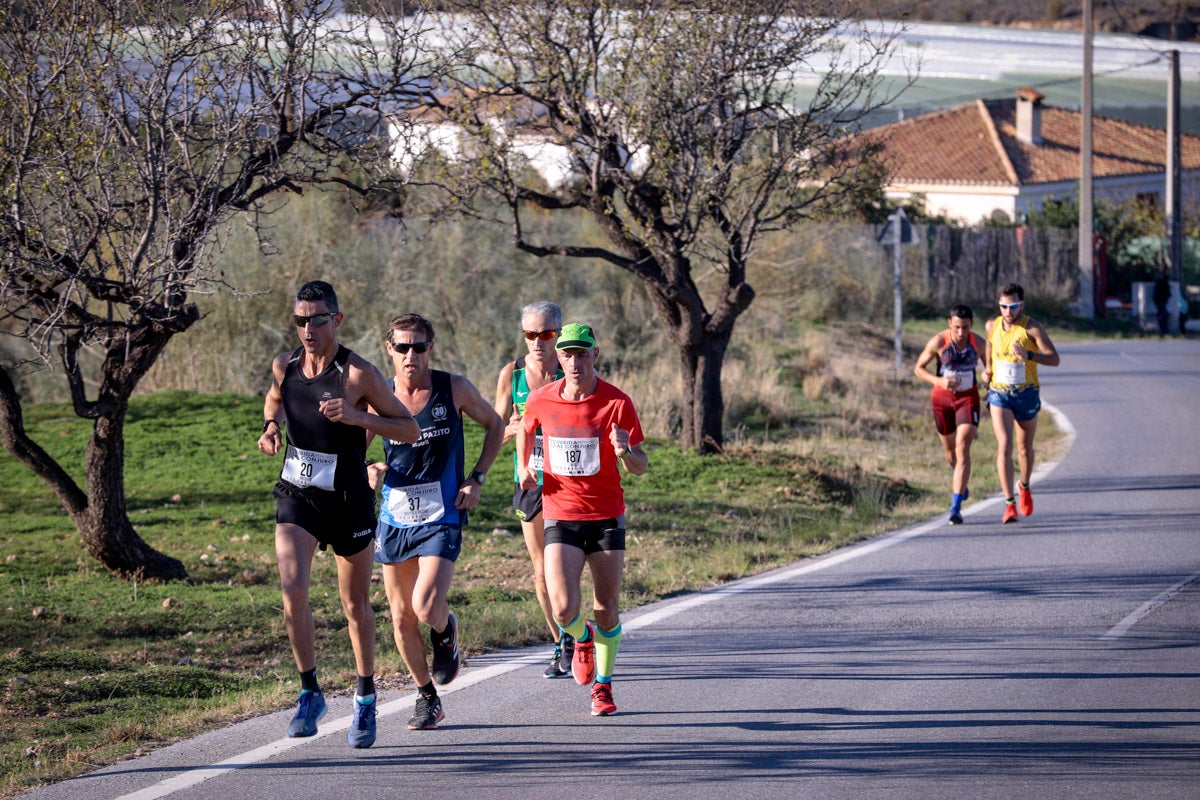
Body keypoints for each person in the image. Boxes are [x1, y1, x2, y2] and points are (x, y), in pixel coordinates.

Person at [258, 280, 420, 749]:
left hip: (348, 499)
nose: (308, 329)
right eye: (301, 320)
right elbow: (274, 398)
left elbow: (407, 428)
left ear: (337, 320)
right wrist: (271, 428)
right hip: (298, 493)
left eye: (318, 319)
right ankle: (310, 691)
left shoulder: (358, 375)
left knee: (354, 607)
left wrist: (357, 417)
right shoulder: (284, 365)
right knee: (292, 590)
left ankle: (365, 697)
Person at [366, 313, 504, 731]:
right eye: (402, 347)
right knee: (401, 616)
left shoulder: (452, 388)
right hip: (395, 516)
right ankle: (427, 697)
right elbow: (355, 450)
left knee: (426, 606)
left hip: (442, 513)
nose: (411, 355)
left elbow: (495, 424)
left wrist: (477, 477)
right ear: (388, 349)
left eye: (419, 346)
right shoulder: (379, 397)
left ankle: (446, 629)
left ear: (431, 348)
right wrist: (368, 470)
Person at [517, 323, 648, 717]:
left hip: (606, 516)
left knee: (606, 606)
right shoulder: (541, 399)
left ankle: (603, 688)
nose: (574, 361)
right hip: (561, 513)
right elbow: (525, 429)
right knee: (562, 609)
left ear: (595, 355)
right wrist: (526, 467)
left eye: (582, 353)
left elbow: (641, 466)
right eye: (567, 353)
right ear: (559, 357)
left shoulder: (617, 402)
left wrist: (625, 452)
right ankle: (581, 636)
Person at [492, 301, 571, 678]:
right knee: (541, 570)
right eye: (530, 334)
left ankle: (575, 630)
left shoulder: (573, 369)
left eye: (547, 334)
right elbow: (497, 430)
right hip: (530, 479)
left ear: (558, 331)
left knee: (566, 568)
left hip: (569, 479)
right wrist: (519, 425)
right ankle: (561, 643)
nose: (538, 342)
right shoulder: (512, 374)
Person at [982, 283, 1060, 525]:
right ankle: (1009, 504)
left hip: (1026, 393)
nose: (1008, 311)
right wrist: (988, 368)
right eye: (1004, 306)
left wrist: (1030, 356)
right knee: (1004, 446)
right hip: (1000, 394)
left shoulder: (1033, 328)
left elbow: (1054, 359)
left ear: (1021, 305)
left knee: (1024, 449)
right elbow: (989, 345)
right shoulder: (992, 325)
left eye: (1013, 306)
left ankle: (1024, 485)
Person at [914, 304, 982, 525]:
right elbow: (918, 368)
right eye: (957, 327)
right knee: (950, 454)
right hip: (942, 399)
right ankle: (960, 483)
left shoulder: (979, 343)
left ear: (971, 325)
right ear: (949, 325)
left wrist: (989, 375)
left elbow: (991, 366)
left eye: (965, 327)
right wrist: (939, 381)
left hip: (968, 398)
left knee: (963, 447)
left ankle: (955, 507)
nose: (961, 333)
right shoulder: (938, 342)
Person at [1153, 269, 1171, 337]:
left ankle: (1163, 330)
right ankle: (1164, 330)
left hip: (1160, 300)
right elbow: (1165, 291)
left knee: (1163, 314)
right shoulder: (1162, 281)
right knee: (1163, 315)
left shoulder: (1161, 280)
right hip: (1161, 300)